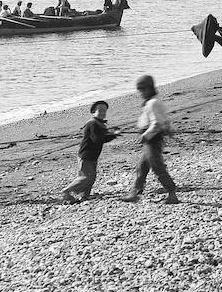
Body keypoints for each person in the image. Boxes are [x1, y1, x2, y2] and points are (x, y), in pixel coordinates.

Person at [121, 74, 179, 204]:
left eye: (141, 90)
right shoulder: (153, 102)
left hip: (152, 141)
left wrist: (145, 135)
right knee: (141, 167)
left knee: (157, 167)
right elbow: (164, 121)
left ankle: (172, 193)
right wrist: (169, 129)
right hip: (151, 140)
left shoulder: (153, 103)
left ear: (148, 89)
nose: (140, 93)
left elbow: (156, 124)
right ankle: (135, 193)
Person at [63, 100, 119, 203]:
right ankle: (67, 191)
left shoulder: (100, 124)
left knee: (91, 177)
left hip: (93, 156)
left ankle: (84, 195)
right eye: (100, 110)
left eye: (104, 110)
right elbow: (97, 140)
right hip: (86, 155)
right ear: (93, 112)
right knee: (85, 177)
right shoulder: (93, 124)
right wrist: (113, 135)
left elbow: (102, 137)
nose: (103, 112)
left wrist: (112, 133)